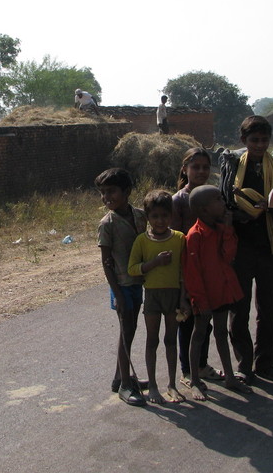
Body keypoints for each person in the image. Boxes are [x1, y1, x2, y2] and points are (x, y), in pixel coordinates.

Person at [219, 115, 273, 384]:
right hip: (240, 248)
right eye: (254, 140)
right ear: (244, 141)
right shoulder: (233, 166)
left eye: (264, 140)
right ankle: (244, 365)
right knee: (238, 309)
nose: (260, 145)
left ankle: (266, 363)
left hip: (268, 247)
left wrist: (270, 210)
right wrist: (245, 216)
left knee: (267, 309)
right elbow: (225, 203)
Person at [184, 186, 252, 398]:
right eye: (218, 200)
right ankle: (194, 380)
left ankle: (230, 377)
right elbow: (192, 274)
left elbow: (228, 255)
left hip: (222, 292)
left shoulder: (220, 228)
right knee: (199, 334)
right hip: (205, 296)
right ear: (204, 210)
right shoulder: (194, 236)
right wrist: (200, 301)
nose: (223, 203)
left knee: (221, 332)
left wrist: (228, 228)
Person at [171, 148, 225, 387]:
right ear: (185, 169)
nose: (201, 171)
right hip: (187, 270)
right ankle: (186, 370)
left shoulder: (213, 196)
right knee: (188, 322)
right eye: (196, 167)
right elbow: (175, 236)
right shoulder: (179, 200)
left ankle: (201, 365)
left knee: (206, 320)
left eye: (205, 167)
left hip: (209, 268)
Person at [96, 167, 148, 406]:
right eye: (103, 193)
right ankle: (126, 385)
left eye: (112, 192)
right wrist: (117, 294)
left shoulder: (139, 216)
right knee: (126, 331)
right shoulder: (107, 224)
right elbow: (106, 263)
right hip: (122, 286)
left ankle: (121, 377)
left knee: (131, 328)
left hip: (138, 282)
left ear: (127, 191)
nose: (107, 198)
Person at [127, 190, 185, 404]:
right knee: (152, 341)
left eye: (164, 216)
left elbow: (184, 272)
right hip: (152, 296)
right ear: (148, 218)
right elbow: (132, 269)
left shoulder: (179, 239)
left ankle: (172, 384)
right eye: (155, 216)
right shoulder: (142, 240)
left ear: (171, 215)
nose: (160, 221)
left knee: (171, 340)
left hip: (174, 296)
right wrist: (154, 263)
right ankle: (152, 386)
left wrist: (184, 298)